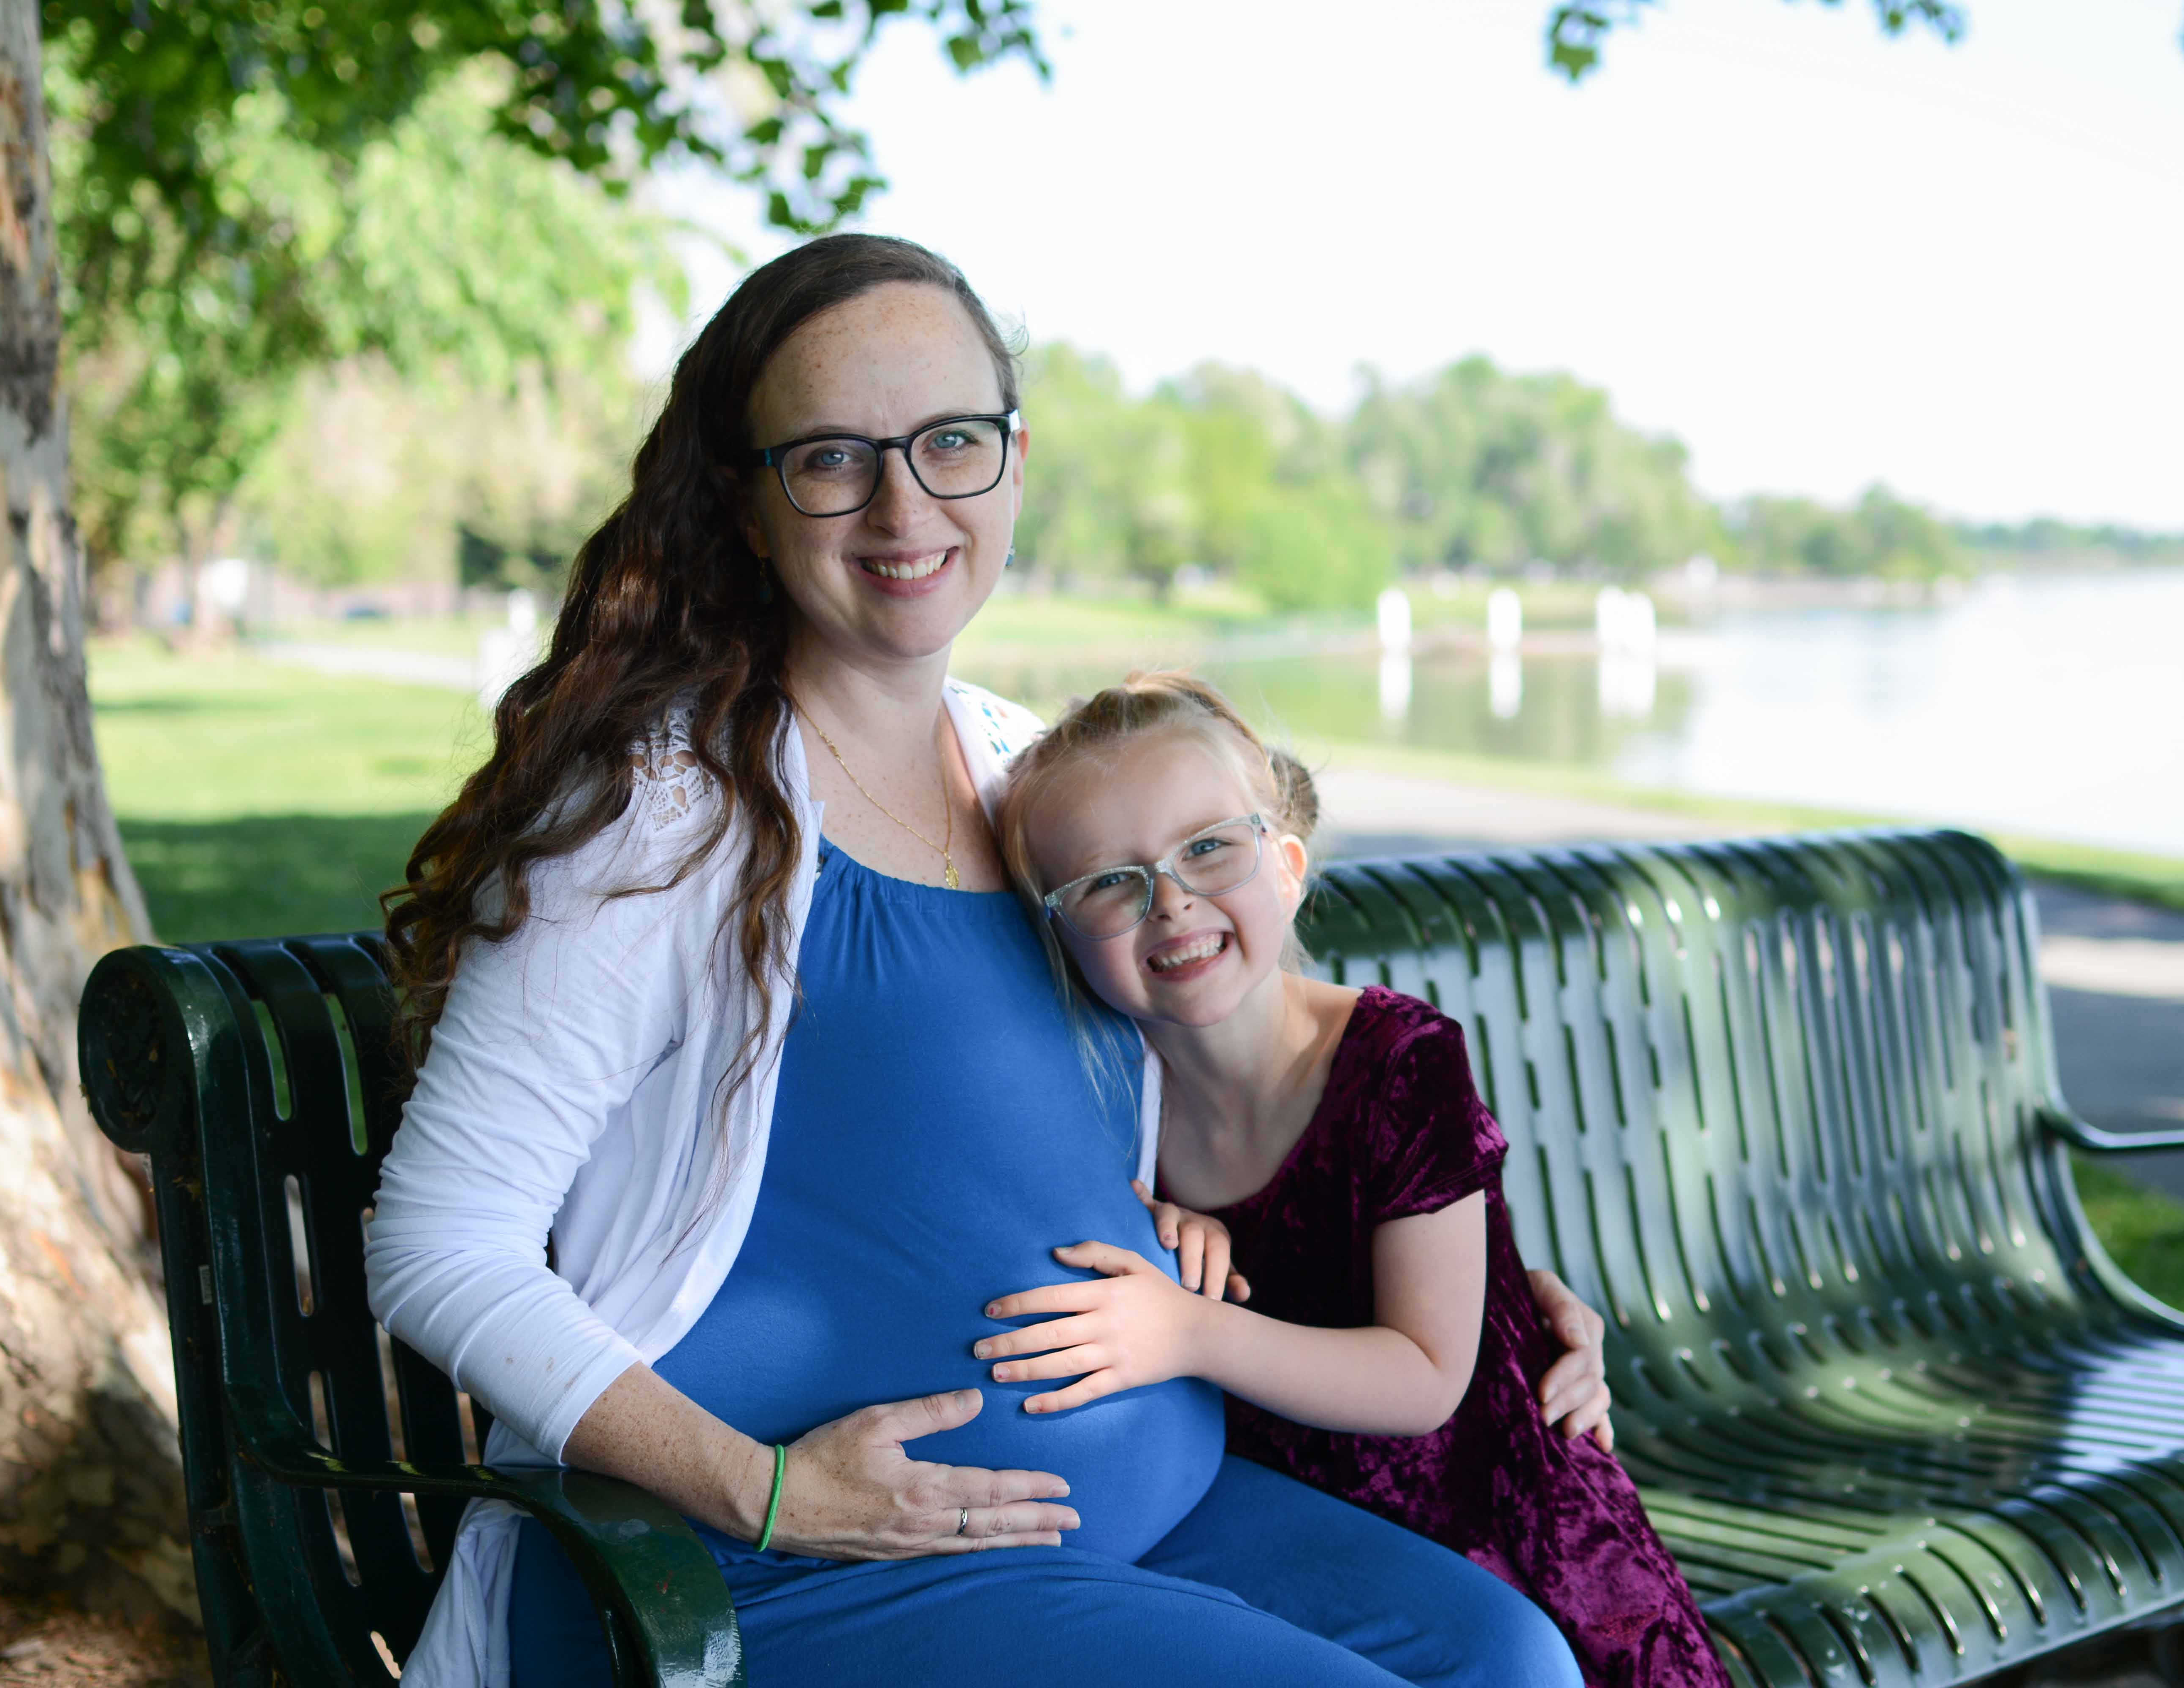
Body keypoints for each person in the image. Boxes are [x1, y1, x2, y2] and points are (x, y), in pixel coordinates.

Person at [365, 233, 1616, 1688]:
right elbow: (437, 1244)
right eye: (832, 459)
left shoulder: (1030, 775)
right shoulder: (663, 814)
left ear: (1014, 463)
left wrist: (1473, 1278)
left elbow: (1206, 1067)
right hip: (776, 1574)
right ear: (747, 504)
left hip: (1142, 1520)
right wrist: (763, 1493)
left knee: (1514, 1664)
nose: (903, 505)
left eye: (950, 442)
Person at [987, 674, 1731, 1688]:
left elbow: (1425, 1374)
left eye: (1208, 847)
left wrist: (1188, 1329)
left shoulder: (1398, 1060)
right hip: (1301, 1556)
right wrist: (1152, 1222)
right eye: (1110, 881)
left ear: (1287, 868)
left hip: (1506, 1536)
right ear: (1061, 936)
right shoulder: (1110, 1101)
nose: (1171, 900)